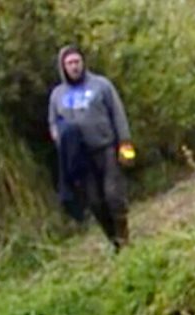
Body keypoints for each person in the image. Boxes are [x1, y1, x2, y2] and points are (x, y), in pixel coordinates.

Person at [47, 44, 134, 249]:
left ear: (83, 62)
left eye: (77, 61)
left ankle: (124, 237)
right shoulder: (57, 95)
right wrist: (59, 137)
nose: (74, 66)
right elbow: (53, 122)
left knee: (114, 195)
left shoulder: (101, 85)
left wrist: (125, 145)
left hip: (106, 148)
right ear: (63, 67)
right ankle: (114, 240)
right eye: (69, 63)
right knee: (95, 202)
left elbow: (118, 114)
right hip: (80, 157)